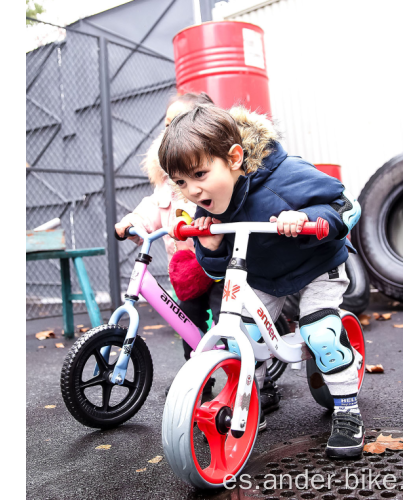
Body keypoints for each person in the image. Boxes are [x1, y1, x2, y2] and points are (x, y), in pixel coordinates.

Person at [158, 104, 364, 459]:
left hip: (317, 264)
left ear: (235, 157)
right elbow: (215, 270)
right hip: (266, 274)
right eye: (180, 182)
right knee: (243, 339)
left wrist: (307, 218)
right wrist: (208, 246)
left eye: (200, 174)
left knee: (321, 333)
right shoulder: (206, 206)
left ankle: (347, 409)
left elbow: (347, 205)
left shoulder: (285, 176)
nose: (191, 190)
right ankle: (249, 402)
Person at [114, 94, 280, 426]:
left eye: (182, 119)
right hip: (187, 271)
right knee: (187, 323)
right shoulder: (171, 185)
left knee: (233, 325)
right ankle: (197, 379)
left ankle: (257, 384)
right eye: (167, 124)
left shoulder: (213, 178)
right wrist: (133, 222)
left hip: (223, 269)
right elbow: (152, 206)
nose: (173, 128)